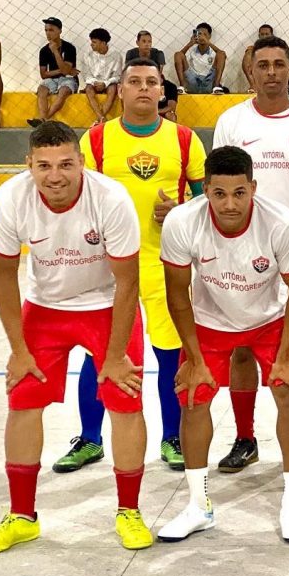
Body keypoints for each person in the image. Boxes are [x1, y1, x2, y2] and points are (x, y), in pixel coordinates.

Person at [0, 121, 150, 554]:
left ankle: (129, 511)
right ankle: (21, 516)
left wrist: (114, 356)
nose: (55, 175)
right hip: (45, 308)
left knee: (125, 398)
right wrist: (18, 351)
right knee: (22, 398)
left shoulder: (111, 198)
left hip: (106, 306)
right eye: (44, 166)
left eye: (66, 164)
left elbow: (128, 283)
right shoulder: (10, 199)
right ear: (29, 165)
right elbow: (4, 278)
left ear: (82, 162)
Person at [55, 58, 206, 475]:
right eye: (134, 81)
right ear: (119, 90)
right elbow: (76, 199)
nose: (143, 88)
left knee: (170, 355)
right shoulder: (96, 140)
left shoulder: (185, 139)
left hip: (164, 266)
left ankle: (172, 438)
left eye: (151, 82)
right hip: (107, 271)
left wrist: (180, 211)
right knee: (101, 354)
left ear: (162, 91)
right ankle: (90, 438)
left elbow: (205, 202)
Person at [158, 146, 289, 544]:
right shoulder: (181, 222)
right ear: (205, 190)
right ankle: (198, 506)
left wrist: (285, 356)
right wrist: (193, 358)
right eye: (219, 194)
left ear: (253, 188)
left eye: (239, 193)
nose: (230, 204)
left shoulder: (281, 223)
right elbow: (177, 294)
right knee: (193, 397)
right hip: (210, 322)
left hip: (269, 321)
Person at [213, 35, 289, 472]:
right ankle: (245, 438)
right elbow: (218, 187)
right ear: (251, 71)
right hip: (238, 255)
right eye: (262, 64)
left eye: (278, 64)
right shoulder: (231, 121)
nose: (270, 72)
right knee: (241, 349)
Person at [29, 17, 77, 127]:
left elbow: (65, 72)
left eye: (51, 30)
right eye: (46, 30)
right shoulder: (44, 50)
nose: (48, 33)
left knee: (63, 91)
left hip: (68, 79)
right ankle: (43, 119)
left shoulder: (69, 48)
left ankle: (43, 119)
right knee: (42, 90)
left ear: (60, 31)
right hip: (52, 79)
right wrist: (63, 70)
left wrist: (55, 51)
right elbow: (44, 74)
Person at [79, 28, 123, 126]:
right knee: (88, 89)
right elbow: (86, 75)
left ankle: (98, 120)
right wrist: (95, 82)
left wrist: (105, 83)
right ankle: (102, 118)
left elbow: (117, 76)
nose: (91, 44)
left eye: (94, 42)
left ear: (103, 43)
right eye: (91, 41)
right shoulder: (87, 55)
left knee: (113, 89)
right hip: (93, 83)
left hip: (109, 83)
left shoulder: (116, 55)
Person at [173, 22, 227, 95]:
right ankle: (182, 87)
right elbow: (179, 56)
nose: (202, 37)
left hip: (208, 82)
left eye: (205, 34)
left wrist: (208, 43)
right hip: (193, 82)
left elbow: (223, 55)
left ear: (209, 36)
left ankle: (216, 88)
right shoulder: (191, 49)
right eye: (200, 34)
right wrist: (190, 44)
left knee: (221, 54)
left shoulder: (214, 51)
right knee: (177, 54)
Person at [242, 24, 275, 91]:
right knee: (249, 54)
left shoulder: (278, 48)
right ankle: (253, 86)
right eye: (262, 34)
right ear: (259, 36)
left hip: (273, 73)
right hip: (259, 74)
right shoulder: (253, 49)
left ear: (272, 36)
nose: (264, 37)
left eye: (267, 34)